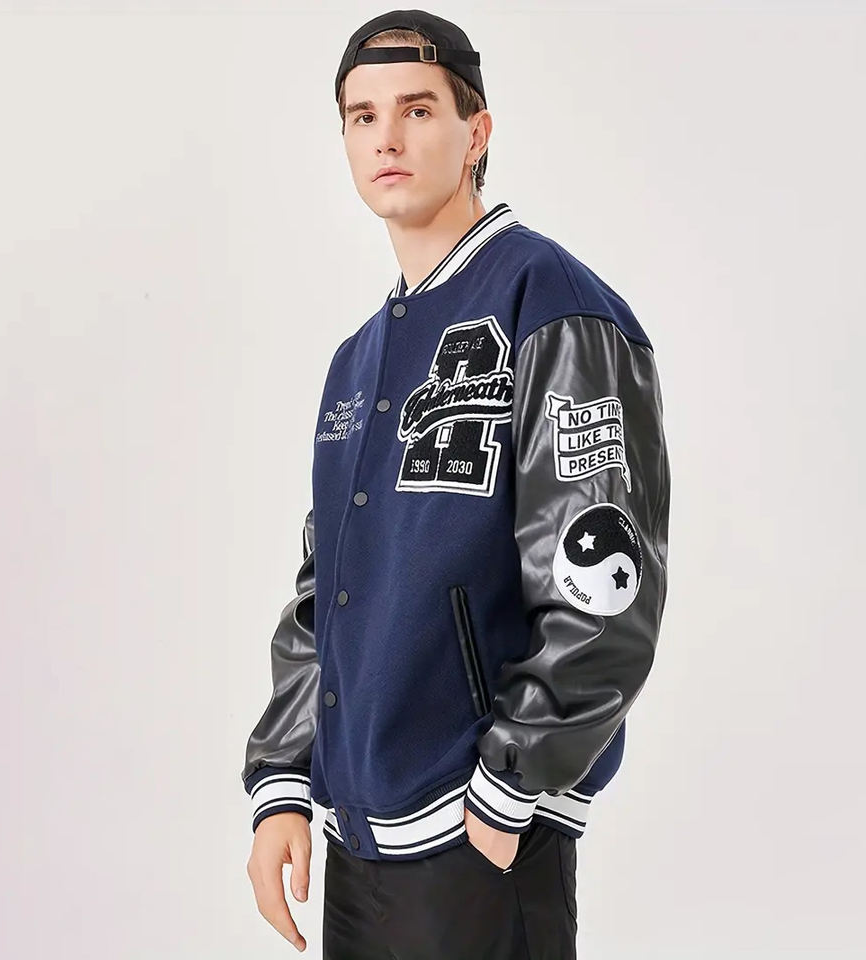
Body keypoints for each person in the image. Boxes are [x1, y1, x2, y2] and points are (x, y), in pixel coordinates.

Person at [240, 10, 671, 958]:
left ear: (476, 131)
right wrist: (284, 781)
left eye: (417, 109)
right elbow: (326, 592)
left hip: (482, 838)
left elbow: (605, 580)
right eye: (362, 117)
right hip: (357, 841)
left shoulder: (552, 304)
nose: (386, 139)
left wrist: (510, 784)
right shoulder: (359, 359)